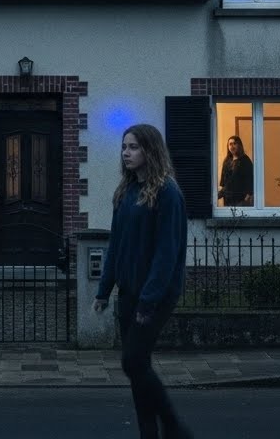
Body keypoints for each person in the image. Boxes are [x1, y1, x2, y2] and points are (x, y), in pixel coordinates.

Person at [93, 123, 193, 439]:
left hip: (156, 295)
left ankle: (173, 426)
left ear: (150, 151)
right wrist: (104, 290)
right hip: (128, 291)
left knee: (132, 360)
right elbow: (117, 245)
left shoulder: (168, 193)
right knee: (137, 367)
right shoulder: (126, 192)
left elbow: (167, 254)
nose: (126, 152)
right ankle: (149, 432)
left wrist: (148, 301)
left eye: (134, 146)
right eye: (124, 146)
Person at [218, 134, 254, 207]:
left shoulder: (246, 161)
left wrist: (247, 197)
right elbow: (224, 182)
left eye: (235, 143)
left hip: (241, 200)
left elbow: (251, 180)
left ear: (239, 145)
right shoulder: (227, 161)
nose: (232, 146)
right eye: (230, 144)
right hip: (228, 199)